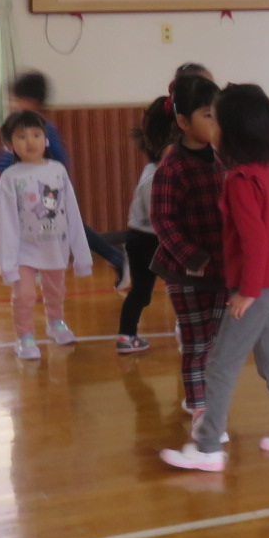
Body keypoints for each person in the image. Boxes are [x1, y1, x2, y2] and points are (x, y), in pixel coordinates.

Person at [162, 83, 269, 471]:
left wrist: (247, 291)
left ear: (232, 132)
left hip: (259, 287)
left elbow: (255, 239)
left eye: (216, 121)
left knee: (220, 364)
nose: (211, 128)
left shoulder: (239, 181)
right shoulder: (266, 169)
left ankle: (208, 448)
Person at [0, 71, 129, 291]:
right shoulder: (24, 128)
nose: (11, 104)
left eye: (15, 99)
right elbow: (10, 152)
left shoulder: (42, 128)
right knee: (47, 226)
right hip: (35, 191)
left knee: (70, 227)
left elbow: (56, 157)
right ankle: (36, 267)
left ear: (31, 101)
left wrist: (51, 180)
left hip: (48, 190)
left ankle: (117, 259)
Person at [149, 73, 230, 417]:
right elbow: (162, 220)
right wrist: (191, 257)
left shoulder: (222, 159)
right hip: (186, 273)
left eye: (217, 115)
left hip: (221, 268)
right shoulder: (172, 167)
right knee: (196, 343)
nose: (215, 122)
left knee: (217, 341)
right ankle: (199, 410)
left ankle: (209, 402)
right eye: (207, 115)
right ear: (183, 121)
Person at [0, 109, 91, 360]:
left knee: (55, 290)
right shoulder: (10, 178)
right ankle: (24, 337)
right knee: (24, 295)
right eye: (21, 136)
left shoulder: (57, 171)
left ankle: (55, 322)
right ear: (9, 145)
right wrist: (7, 263)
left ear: (45, 139)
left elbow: (71, 212)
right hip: (23, 250)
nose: (30, 141)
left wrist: (81, 255)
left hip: (55, 246)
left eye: (36, 135)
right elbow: (5, 222)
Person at [115, 98, 175, 355]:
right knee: (169, 288)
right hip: (151, 239)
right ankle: (127, 335)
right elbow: (161, 216)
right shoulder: (157, 176)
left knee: (142, 292)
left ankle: (126, 336)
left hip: (141, 239)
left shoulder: (153, 168)